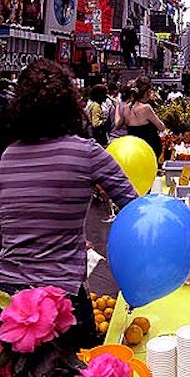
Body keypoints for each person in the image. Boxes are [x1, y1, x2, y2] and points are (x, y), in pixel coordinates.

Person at [0, 59, 138, 350]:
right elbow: (137, 209)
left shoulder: (7, 157)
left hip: (11, 302)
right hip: (62, 302)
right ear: (69, 105)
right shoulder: (87, 152)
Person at [115, 76, 165, 161]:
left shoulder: (126, 108)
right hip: (149, 148)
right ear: (147, 92)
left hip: (134, 149)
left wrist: (117, 107)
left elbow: (118, 125)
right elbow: (161, 127)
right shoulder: (146, 108)